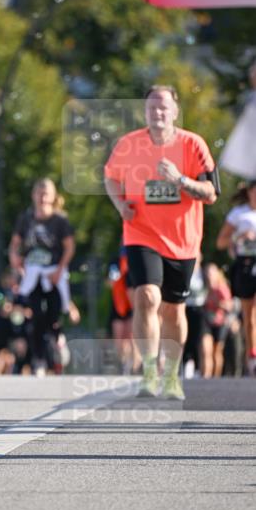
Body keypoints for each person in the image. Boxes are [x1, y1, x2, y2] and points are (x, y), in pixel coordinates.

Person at [104, 84, 218, 400]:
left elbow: (211, 193)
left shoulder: (193, 145)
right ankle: (149, 371)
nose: (158, 112)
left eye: (164, 107)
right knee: (146, 297)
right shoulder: (129, 145)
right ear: (145, 111)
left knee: (173, 310)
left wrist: (179, 180)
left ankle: (171, 375)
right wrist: (119, 204)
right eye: (152, 107)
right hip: (141, 233)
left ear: (175, 112)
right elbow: (110, 176)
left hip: (183, 240)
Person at [9, 178, 75, 375]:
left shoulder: (60, 221)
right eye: (39, 192)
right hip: (33, 274)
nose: (43, 196)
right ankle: (38, 360)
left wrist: (60, 269)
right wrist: (14, 258)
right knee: (36, 316)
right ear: (33, 195)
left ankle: (58, 338)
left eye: (46, 193)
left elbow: (69, 247)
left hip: (53, 273)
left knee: (53, 314)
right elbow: (15, 243)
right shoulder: (26, 218)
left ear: (53, 196)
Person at [216, 179, 256, 376]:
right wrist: (239, 237)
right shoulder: (238, 214)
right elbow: (221, 242)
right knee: (250, 316)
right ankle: (252, 356)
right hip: (246, 265)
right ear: (248, 192)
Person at [107, 249, 137, 375]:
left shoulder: (136, 261)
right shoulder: (115, 262)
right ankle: (124, 364)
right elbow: (109, 282)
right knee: (119, 337)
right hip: (118, 303)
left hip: (132, 304)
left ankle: (134, 365)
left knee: (131, 336)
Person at [202, 263, 234, 378]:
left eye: (211, 273)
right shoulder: (204, 288)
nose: (209, 276)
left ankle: (216, 377)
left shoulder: (221, 288)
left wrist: (218, 303)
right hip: (207, 322)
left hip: (220, 322)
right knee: (206, 350)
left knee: (217, 351)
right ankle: (206, 375)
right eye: (207, 273)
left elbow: (230, 305)